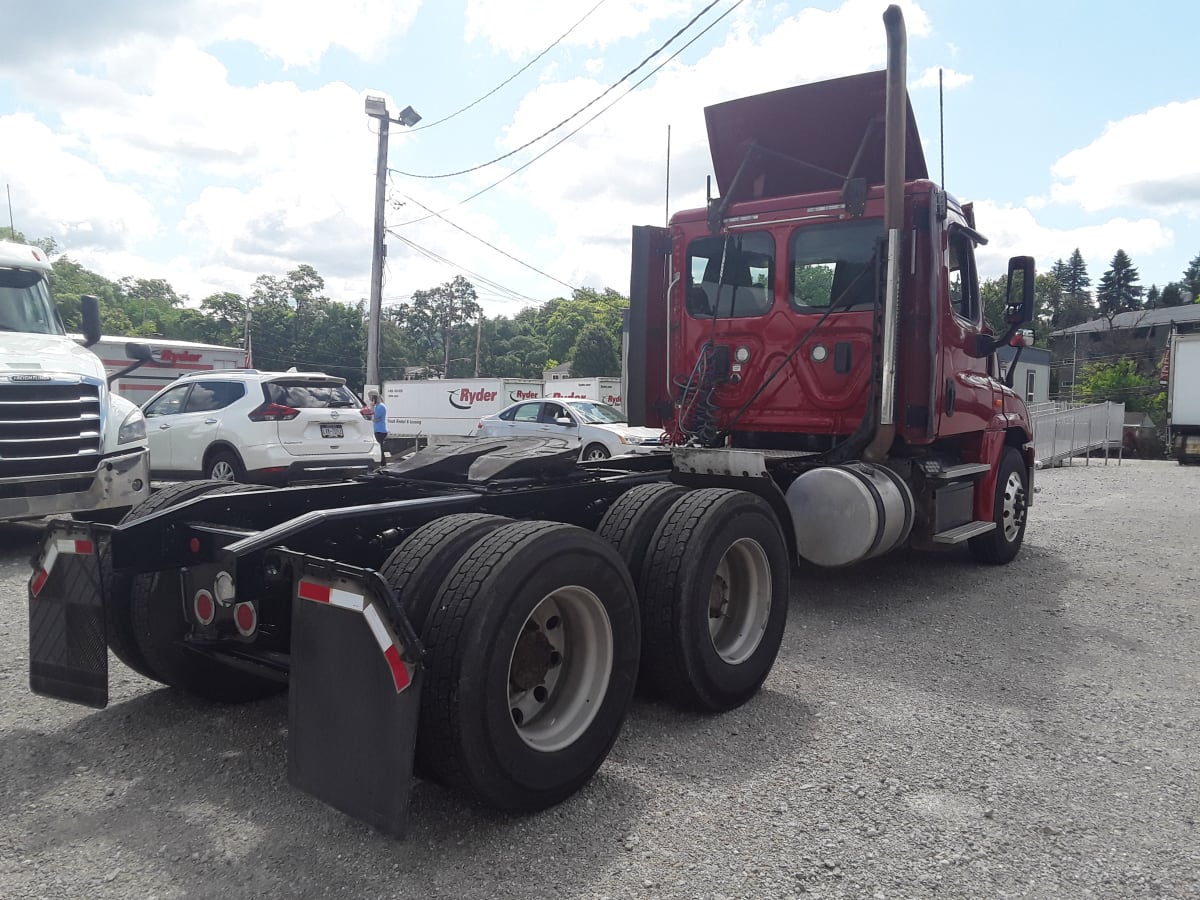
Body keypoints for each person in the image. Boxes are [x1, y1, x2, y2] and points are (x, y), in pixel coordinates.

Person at [368, 391, 388, 459]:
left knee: (380, 449)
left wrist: (371, 407)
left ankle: (382, 463)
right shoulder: (377, 406)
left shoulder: (381, 407)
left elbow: (375, 418)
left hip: (380, 431)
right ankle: (382, 463)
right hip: (377, 430)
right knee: (379, 448)